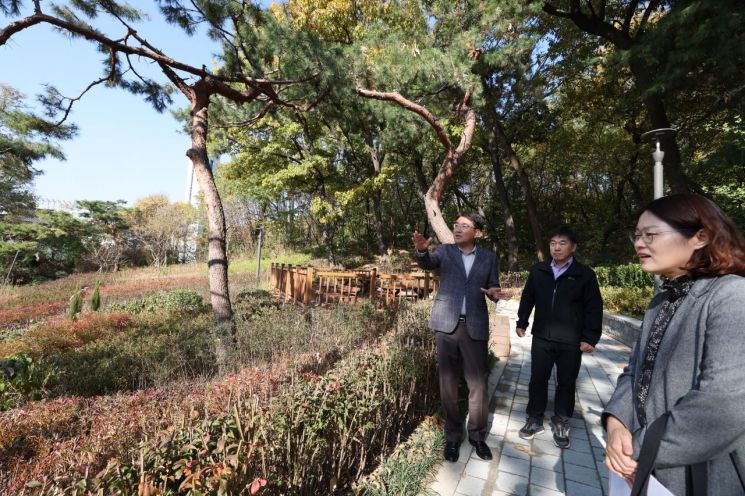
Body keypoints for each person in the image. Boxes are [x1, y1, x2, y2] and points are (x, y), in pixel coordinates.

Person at [603, 194, 745, 495]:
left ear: (700, 237)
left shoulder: (732, 296)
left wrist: (636, 449)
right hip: (650, 468)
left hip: (702, 472)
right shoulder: (663, 300)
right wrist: (616, 424)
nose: (639, 244)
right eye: (637, 235)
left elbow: (722, 406)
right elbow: (635, 371)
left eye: (651, 234)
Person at [412, 212, 506, 462]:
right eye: (456, 225)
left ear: (477, 232)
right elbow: (427, 262)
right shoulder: (444, 251)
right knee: (448, 383)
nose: (457, 229)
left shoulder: (488, 257)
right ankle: (453, 436)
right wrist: (421, 251)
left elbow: (492, 288)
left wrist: (496, 293)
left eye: (465, 226)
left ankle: (477, 436)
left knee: (478, 385)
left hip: (474, 325)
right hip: (446, 325)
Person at [515, 225, 603, 449]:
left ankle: (562, 420)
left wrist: (590, 337)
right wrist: (522, 322)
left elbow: (594, 307)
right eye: (553, 243)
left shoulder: (584, 275)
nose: (557, 247)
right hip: (542, 337)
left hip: (571, 341)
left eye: (562, 243)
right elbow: (528, 298)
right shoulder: (539, 271)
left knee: (566, 382)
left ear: (573, 247)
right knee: (537, 379)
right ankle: (535, 418)